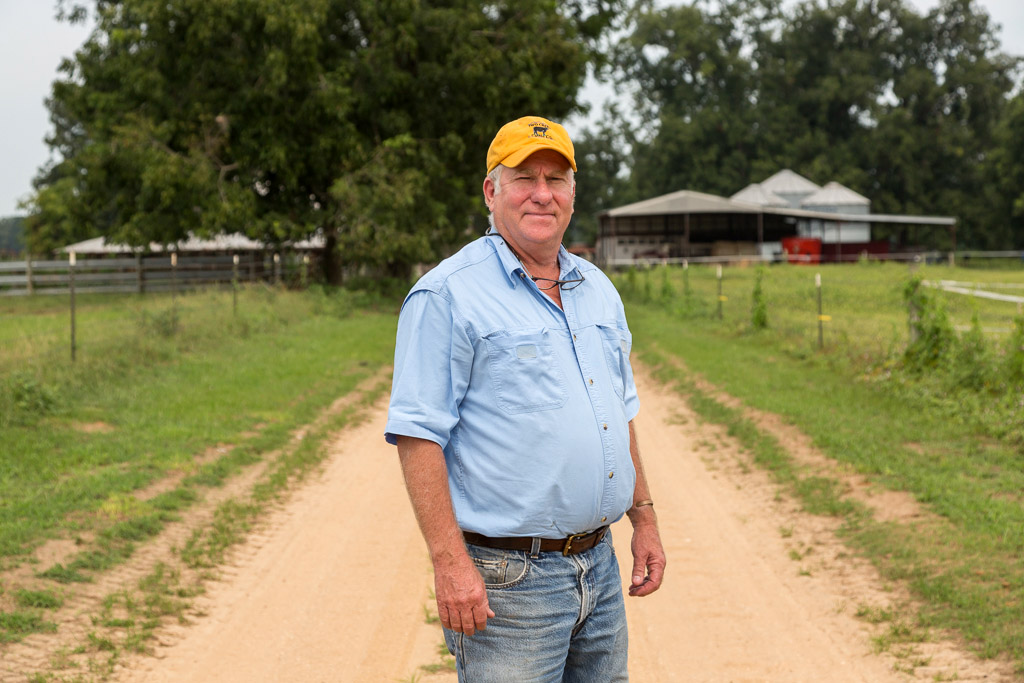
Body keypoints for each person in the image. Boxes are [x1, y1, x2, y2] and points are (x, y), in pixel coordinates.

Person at [385, 115, 665, 682]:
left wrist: (645, 518)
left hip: (599, 569)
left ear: (572, 193)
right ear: (492, 191)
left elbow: (618, 412)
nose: (542, 193)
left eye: (556, 179)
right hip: (508, 584)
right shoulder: (447, 294)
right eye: (524, 177)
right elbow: (418, 435)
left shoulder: (598, 290)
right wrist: (449, 563)